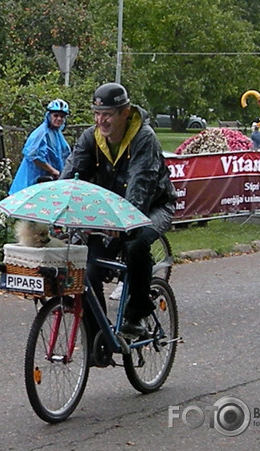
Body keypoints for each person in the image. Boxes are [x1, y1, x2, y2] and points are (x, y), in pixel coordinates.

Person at [60, 82, 177, 338]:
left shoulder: (143, 137)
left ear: (125, 112)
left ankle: (137, 314)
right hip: (111, 212)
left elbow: (141, 183)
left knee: (135, 245)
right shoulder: (91, 138)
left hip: (153, 206)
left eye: (108, 114)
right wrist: (59, 210)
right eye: (97, 114)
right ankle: (98, 337)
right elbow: (71, 177)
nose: (101, 120)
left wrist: (123, 223)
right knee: (88, 270)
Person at [8, 99, 71, 194]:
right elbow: (34, 156)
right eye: (56, 115)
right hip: (31, 182)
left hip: (46, 183)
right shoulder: (41, 133)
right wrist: (54, 171)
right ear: (49, 115)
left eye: (62, 116)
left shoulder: (57, 134)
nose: (59, 119)